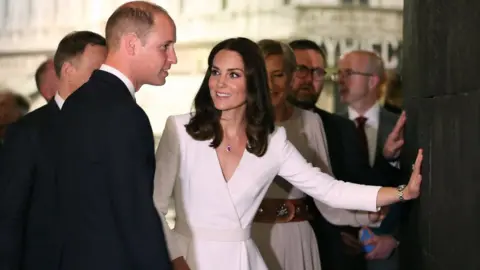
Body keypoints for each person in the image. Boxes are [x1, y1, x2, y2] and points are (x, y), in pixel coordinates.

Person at [153, 37, 423, 270]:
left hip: (242, 261)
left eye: (233, 74)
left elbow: (329, 190)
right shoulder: (180, 129)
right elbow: (155, 206)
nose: (219, 83)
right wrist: (177, 260)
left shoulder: (272, 141)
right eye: (215, 72)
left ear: (253, 82)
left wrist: (402, 192)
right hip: (187, 261)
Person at [250, 39, 387, 270]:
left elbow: (327, 192)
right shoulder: (235, 123)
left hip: (297, 241)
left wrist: (368, 214)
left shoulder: (311, 122)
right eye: (263, 75)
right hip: (250, 239)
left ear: (290, 77)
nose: (271, 84)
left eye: (279, 75)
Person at [0, 31, 107, 270]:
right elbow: (10, 216)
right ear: (68, 71)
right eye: (97, 73)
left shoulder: (118, 128)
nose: (106, 82)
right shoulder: (27, 132)